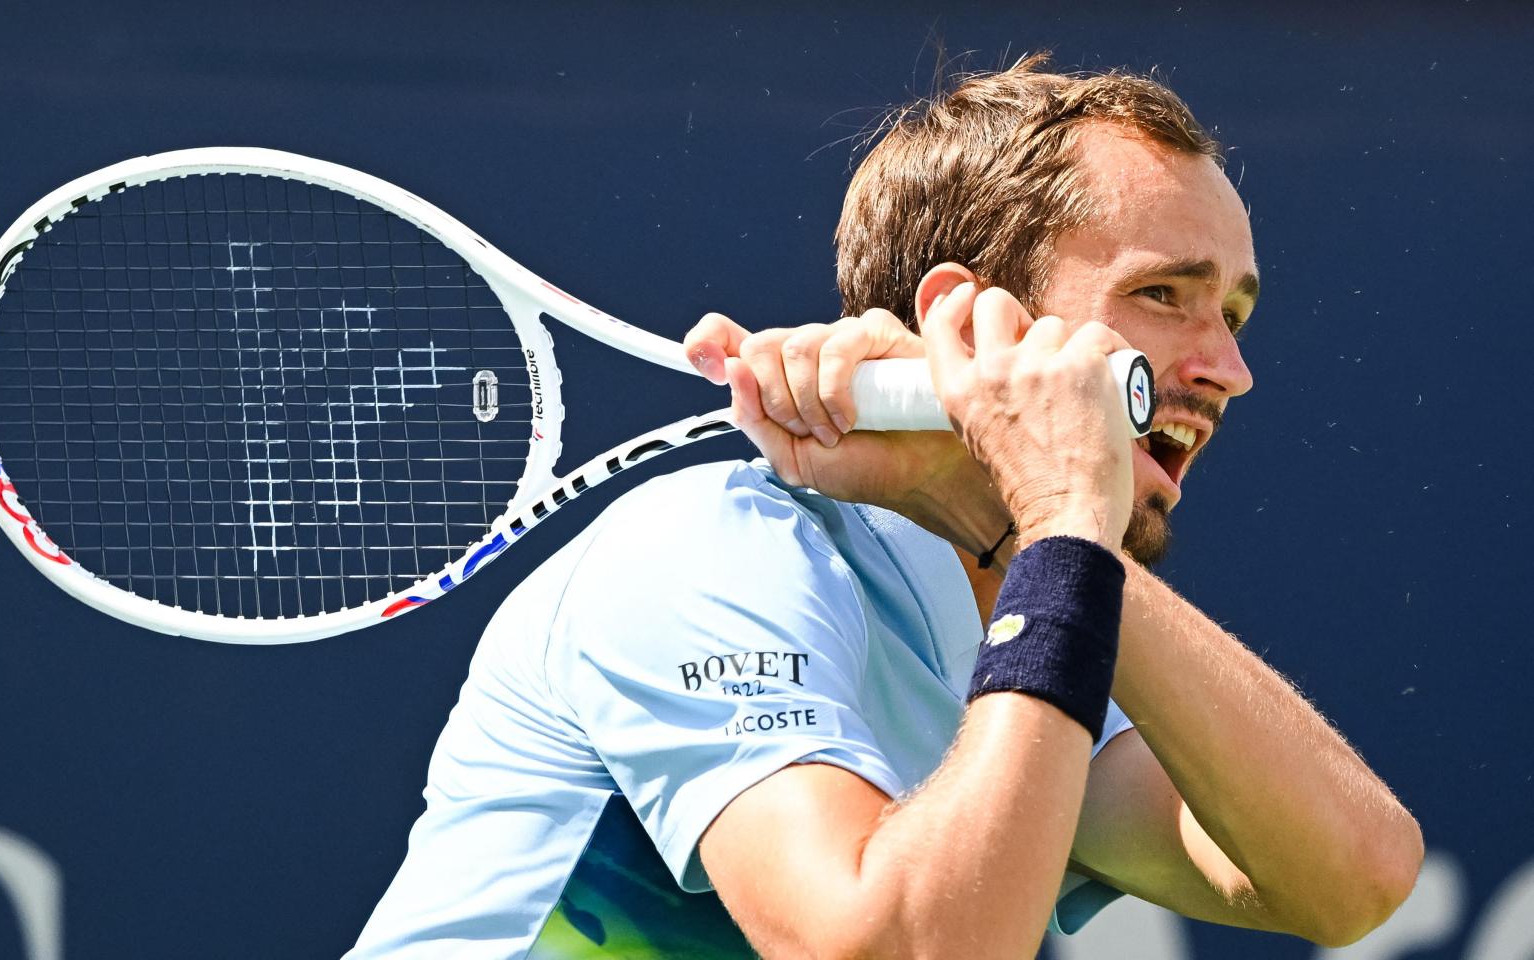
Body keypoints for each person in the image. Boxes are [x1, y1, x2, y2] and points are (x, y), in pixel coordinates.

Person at [346, 57, 1423, 959]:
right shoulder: (709, 548)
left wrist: (1022, 523)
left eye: (1231, 312)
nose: (1226, 368)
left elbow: (1351, 879)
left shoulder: (1030, 609)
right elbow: (890, 948)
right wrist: (1053, 526)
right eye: (1162, 295)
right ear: (965, 319)